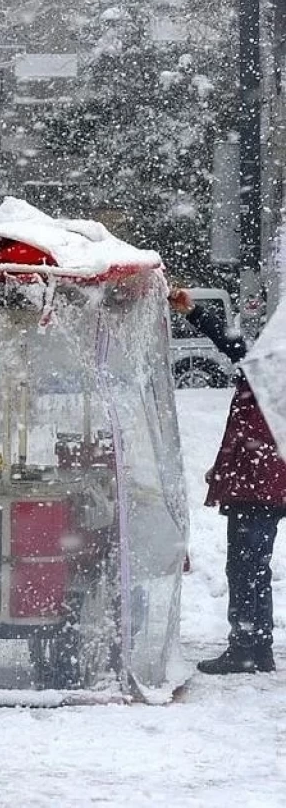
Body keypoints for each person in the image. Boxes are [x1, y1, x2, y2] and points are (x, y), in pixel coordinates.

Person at [171, 287, 285, 674]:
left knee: (245, 566)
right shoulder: (270, 370)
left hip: (259, 485)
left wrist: (195, 313)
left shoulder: (272, 371)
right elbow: (236, 346)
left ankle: (246, 647)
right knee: (253, 566)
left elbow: (234, 345)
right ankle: (257, 646)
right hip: (261, 481)